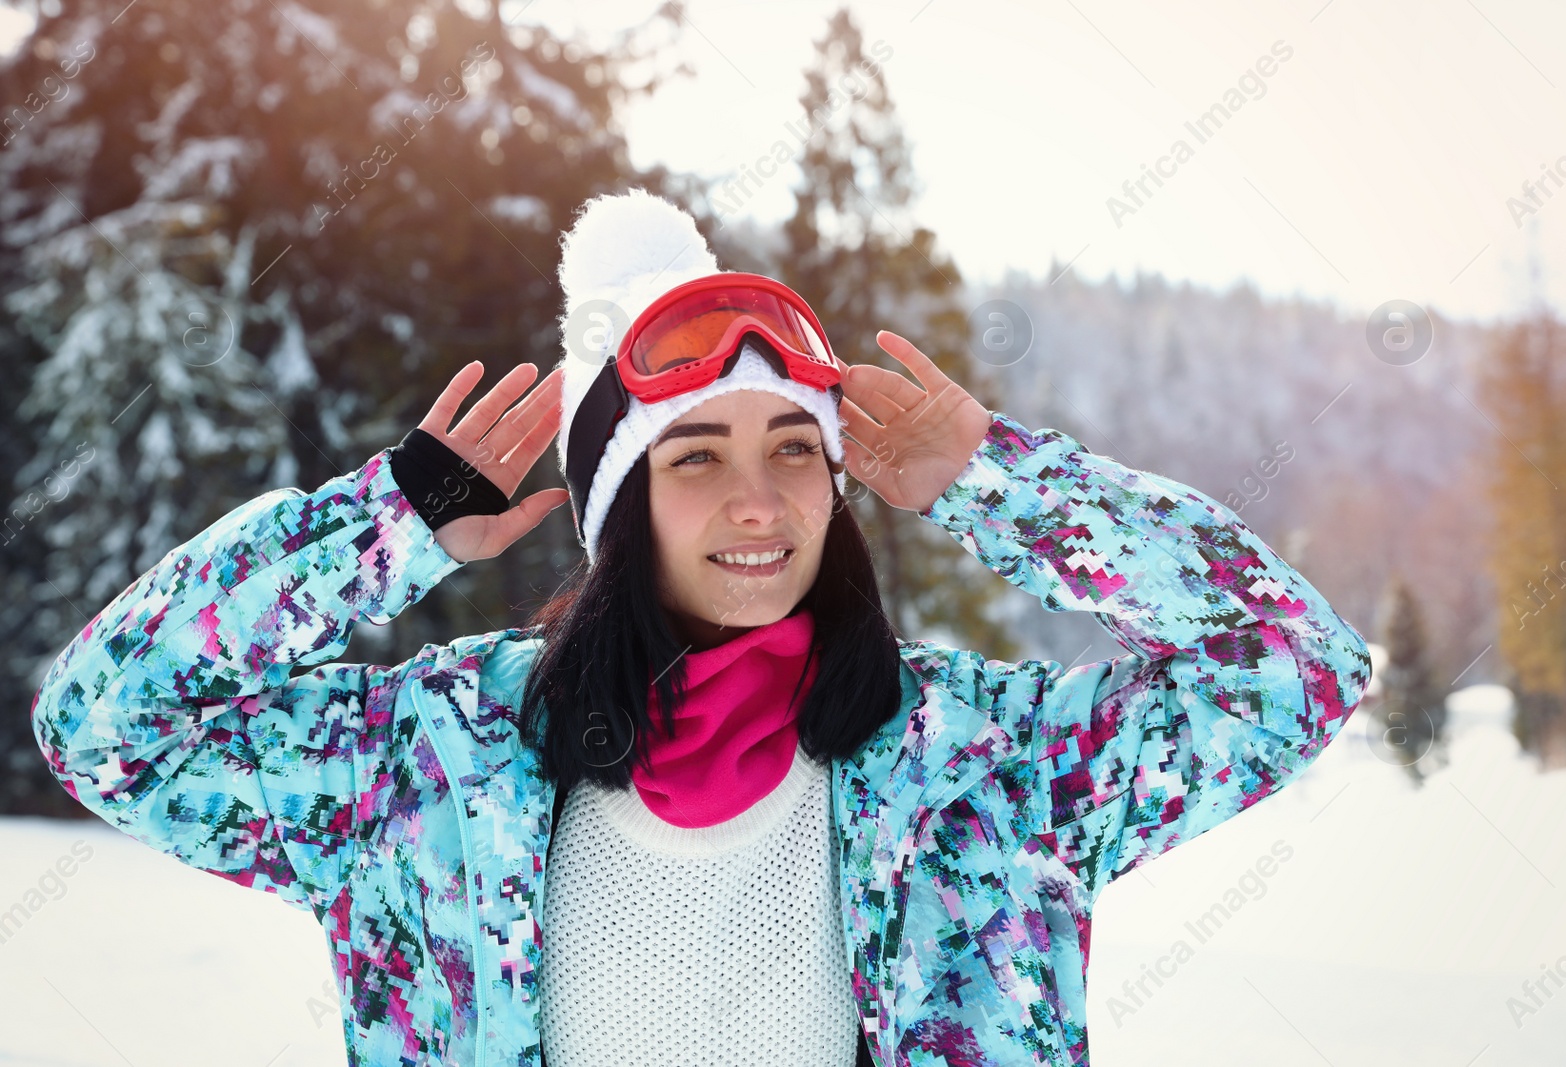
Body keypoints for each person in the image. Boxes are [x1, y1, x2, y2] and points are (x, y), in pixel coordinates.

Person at [31, 188, 1372, 1067]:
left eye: (796, 449)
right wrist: (386, 530)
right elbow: (108, 724)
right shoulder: (428, 773)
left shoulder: (983, 772)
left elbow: (1294, 668)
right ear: (622, 514)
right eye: (694, 459)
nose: (758, 500)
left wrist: (1003, 484)